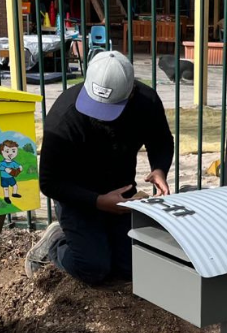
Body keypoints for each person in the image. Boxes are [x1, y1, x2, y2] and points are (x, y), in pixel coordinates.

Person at [24, 51, 174, 284]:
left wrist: (159, 169)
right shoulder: (65, 117)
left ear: (131, 91)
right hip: (78, 197)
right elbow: (49, 182)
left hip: (121, 194)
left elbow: (161, 139)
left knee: (130, 269)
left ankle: (102, 239)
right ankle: (55, 244)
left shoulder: (146, 101)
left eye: (110, 108)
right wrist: (97, 201)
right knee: (94, 269)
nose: (103, 116)